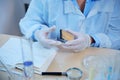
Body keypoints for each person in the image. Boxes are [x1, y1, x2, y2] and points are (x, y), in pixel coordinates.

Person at [19, 0, 120, 52]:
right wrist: (38, 33)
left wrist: (91, 40)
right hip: (56, 57)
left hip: (97, 60)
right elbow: (28, 22)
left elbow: (117, 34)